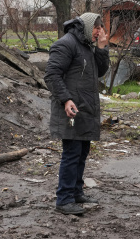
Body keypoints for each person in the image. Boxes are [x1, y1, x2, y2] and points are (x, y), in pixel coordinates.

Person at [44, 12, 110, 215]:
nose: (99, 32)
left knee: (81, 153)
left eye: (101, 29)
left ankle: (76, 191)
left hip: (85, 109)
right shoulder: (66, 44)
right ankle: (64, 200)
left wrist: (101, 49)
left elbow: (100, 72)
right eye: (97, 28)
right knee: (71, 154)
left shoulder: (87, 46)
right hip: (70, 109)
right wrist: (66, 99)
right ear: (89, 26)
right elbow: (51, 75)